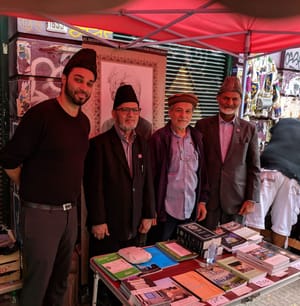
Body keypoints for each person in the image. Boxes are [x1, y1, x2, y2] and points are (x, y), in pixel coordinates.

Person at [0, 48, 97, 306]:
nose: (83, 88)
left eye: (89, 83)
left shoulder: (84, 123)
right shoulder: (41, 115)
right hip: (41, 215)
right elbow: (8, 160)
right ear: (64, 79)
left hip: (70, 215)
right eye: (79, 79)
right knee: (37, 286)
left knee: (60, 283)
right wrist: (29, 184)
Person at [83, 84, 156, 300]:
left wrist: (148, 214)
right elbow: (92, 185)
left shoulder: (143, 143)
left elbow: (147, 181)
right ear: (114, 113)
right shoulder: (98, 144)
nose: (130, 115)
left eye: (135, 110)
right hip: (106, 226)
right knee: (105, 276)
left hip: (134, 223)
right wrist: (97, 220)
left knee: (129, 276)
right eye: (125, 110)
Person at [195, 76, 260, 230]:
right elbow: (198, 163)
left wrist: (251, 198)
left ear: (240, 100)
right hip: (208, 198)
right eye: (225, 98)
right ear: (218, 98)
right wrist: (199, 198)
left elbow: (254, 167)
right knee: (204, 241)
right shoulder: (202, 125)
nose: (229, 103)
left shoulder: (249, 129)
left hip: (237, 199)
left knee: (233, 244)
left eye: (234, 99)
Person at [147, 93, 209, 243]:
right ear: (170, 112)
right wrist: (151, 209)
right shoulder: (159, 138)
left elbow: (203, 173)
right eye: (178, 110)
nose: (183, 116)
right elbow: (150, 177)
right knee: (160, 251)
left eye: (188, 111)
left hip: (190, 208)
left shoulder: (197, 137)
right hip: (166, 211)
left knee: (185, 251)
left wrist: (202, 201)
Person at [246, 118, 300, 247]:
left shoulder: (285, 122)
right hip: (292, 177)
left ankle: (247, 253)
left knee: (255, 216)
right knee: (283, 222)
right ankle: (277, 258)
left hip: (270, 168)